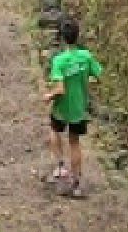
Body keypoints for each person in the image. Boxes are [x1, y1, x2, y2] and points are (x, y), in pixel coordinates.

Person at [43, 19, 102, 198]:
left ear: (61, 38)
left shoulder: (59, 61)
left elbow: (60, 89)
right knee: (75, 142)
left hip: (61, 108)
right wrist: (84, 82)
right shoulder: (86, 56)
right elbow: (98, 76)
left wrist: (48, 96)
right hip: (79, 107)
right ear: (78, 36)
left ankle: (60, 166)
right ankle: (76, 183)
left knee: (54, 131)